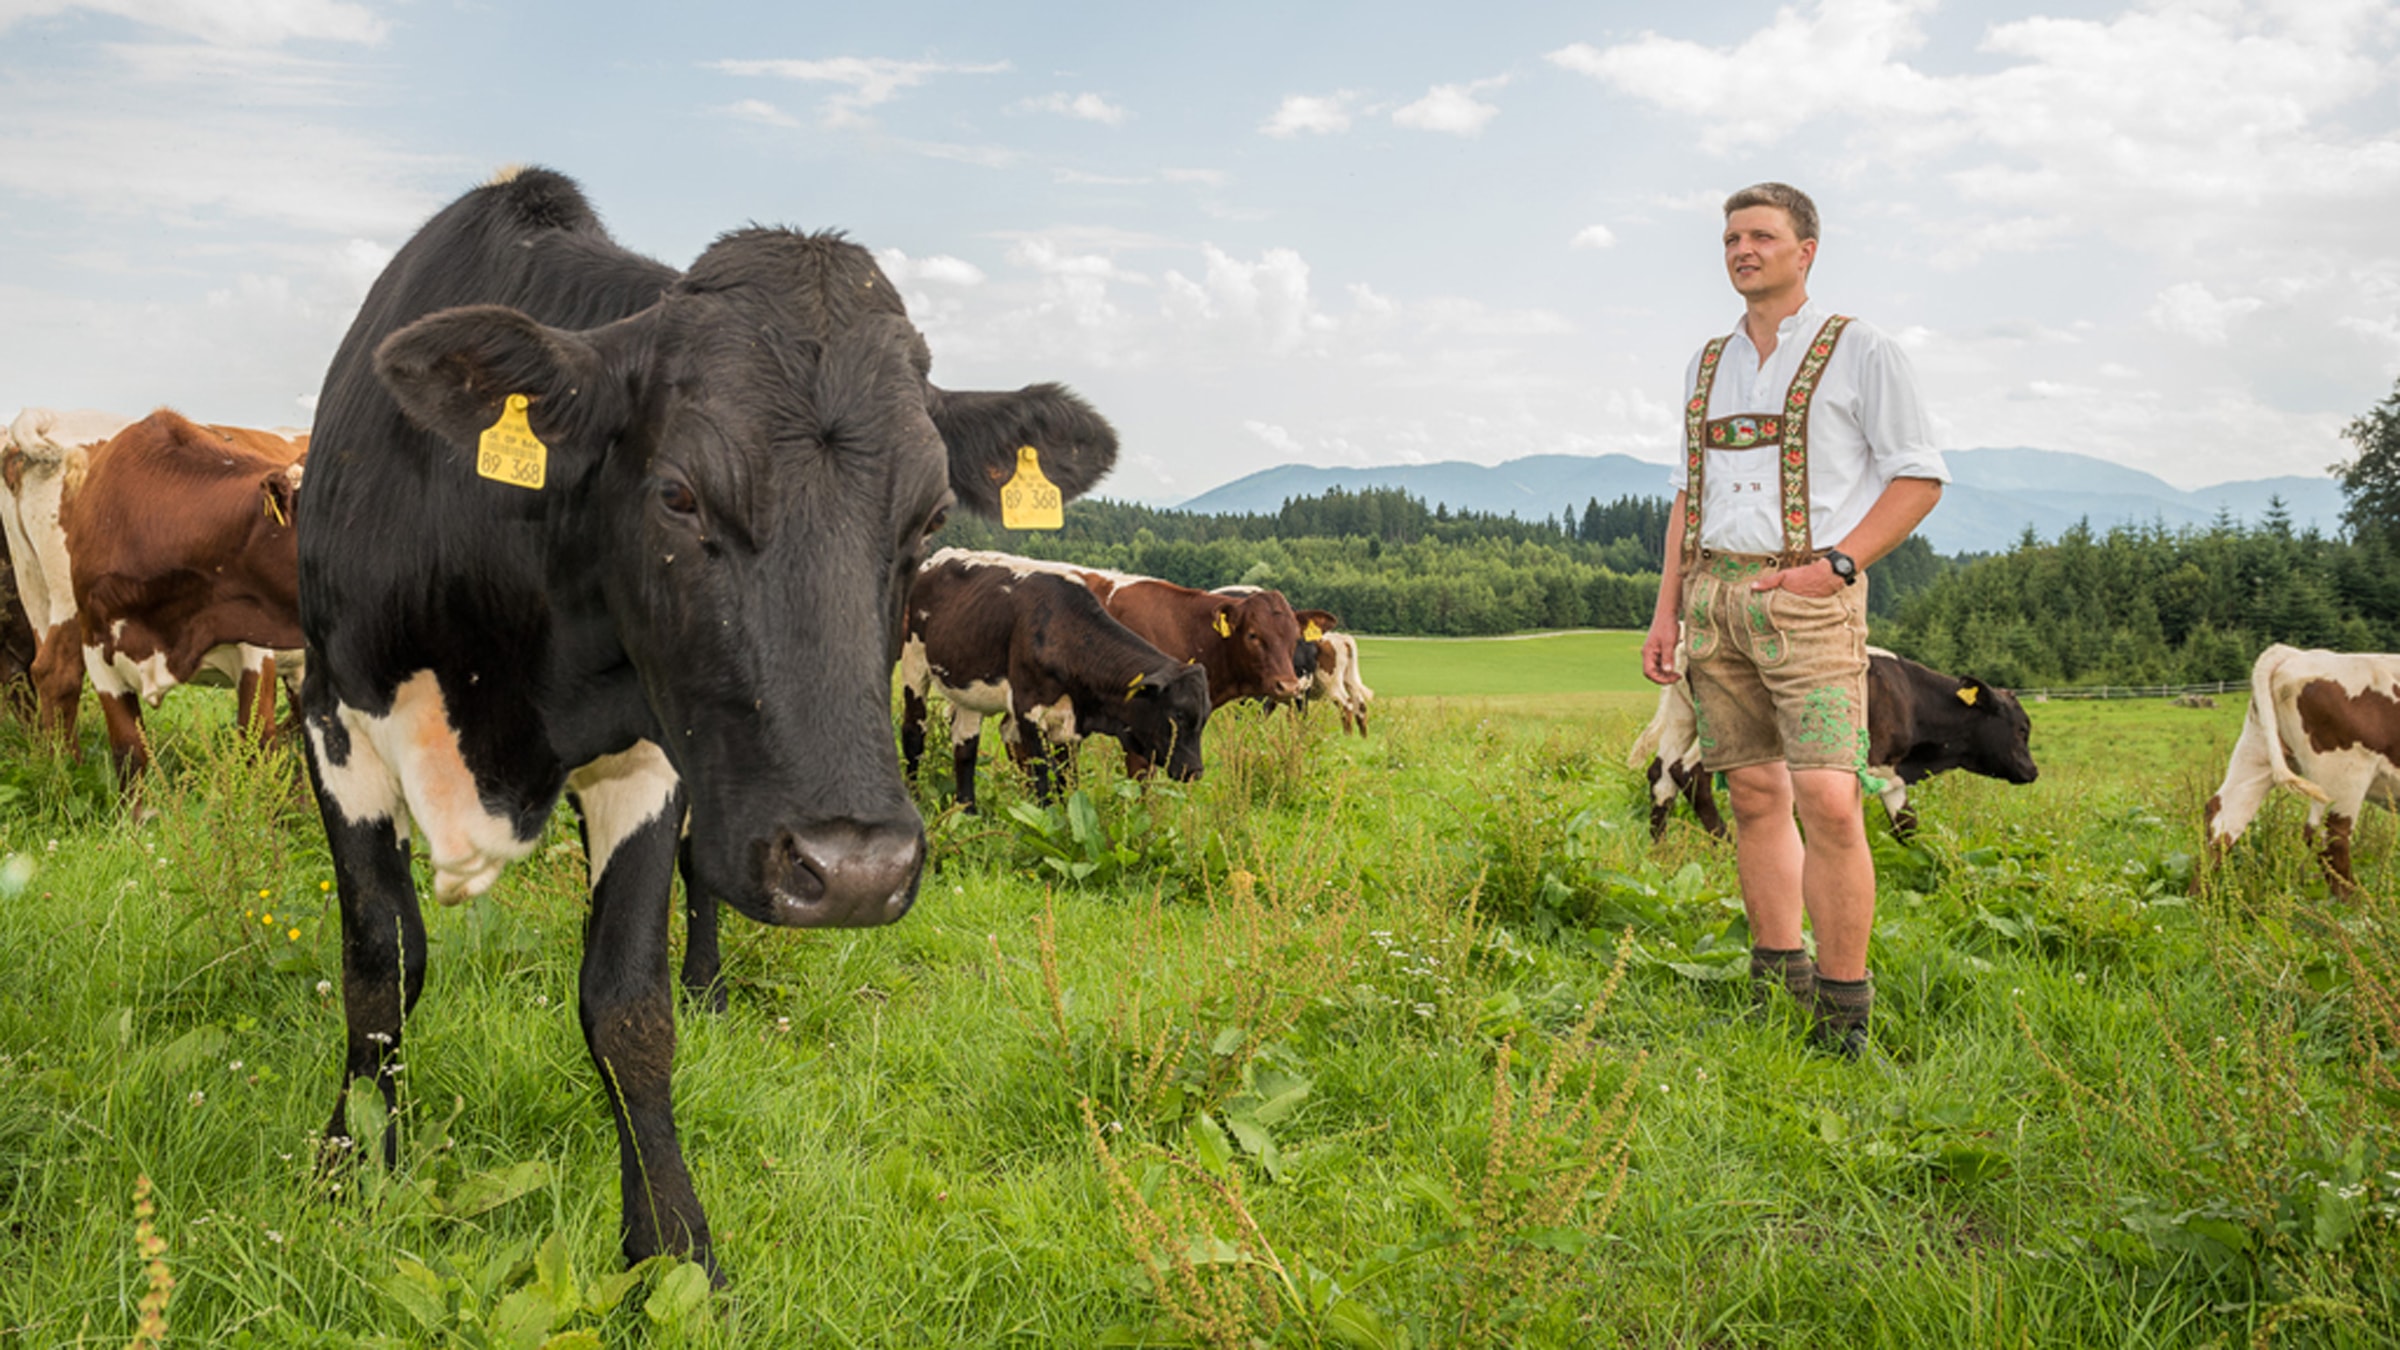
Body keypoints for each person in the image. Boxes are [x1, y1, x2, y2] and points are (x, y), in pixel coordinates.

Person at [1639, 183, 1948, 1058]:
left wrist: (1838, 567)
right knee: (1753, 792)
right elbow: (1687, 497)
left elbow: (1918, 477)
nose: (1743, 250)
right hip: (1715, 600)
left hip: (1808, 604)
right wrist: (1667, 611)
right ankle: (1780, 976)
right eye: (1732, 237)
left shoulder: (1861, 350)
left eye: (1762, 236)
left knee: (1829, 796)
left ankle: (1844, 1014)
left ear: (1805, 250)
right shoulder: (1709, 362)